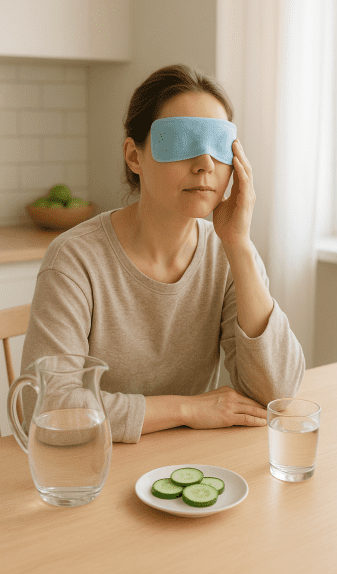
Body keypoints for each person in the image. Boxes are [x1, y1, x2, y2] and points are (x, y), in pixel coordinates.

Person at [20, 64, 305, 443]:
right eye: (183, 140)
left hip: (188, 467)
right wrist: (188, 409)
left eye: (219, 146)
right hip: (95, 465)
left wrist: (239, 245)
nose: (205, 164)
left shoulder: (227, 255)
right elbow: (45, 408)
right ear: (134, 157)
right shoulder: (74, 260)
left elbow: (278, 395)